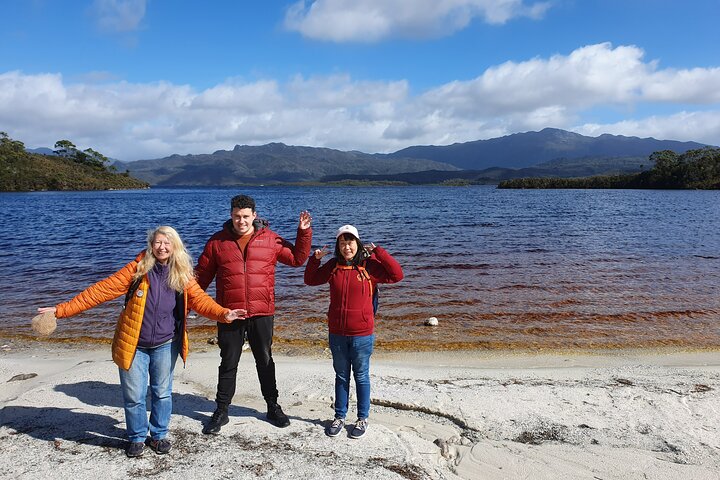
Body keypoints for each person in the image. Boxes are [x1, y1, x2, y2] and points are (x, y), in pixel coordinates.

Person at [37, 226, 245, 458]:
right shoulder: (136, 270)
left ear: (175, 246)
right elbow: (99, 291)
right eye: (157, 242)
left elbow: (201, 301)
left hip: (167, 343)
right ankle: (136, 437)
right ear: (151, 244)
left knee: (162, 393)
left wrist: (223, 313)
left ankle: (158, 436)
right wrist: (60, 310)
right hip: (134, 344)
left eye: (167, 243)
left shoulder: (182, 274)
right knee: (134, 395)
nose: (162, 247)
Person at [196, 194, 312, 434]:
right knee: (228, 361)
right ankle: (221, 410)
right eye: (237, 216)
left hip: (262, 312)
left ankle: (272, 406)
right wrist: (184, 305)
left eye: (246, 216)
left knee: (265, 360)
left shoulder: (270, 239)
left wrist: (303, 233)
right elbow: (201, 278)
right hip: (229, 313)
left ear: (254, 216)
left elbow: (298, 259)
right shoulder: (217, 243)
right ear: (231, 215)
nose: (241, 221)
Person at [303, 224, 403, 438]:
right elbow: (310, 280)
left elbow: (397, 275)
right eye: (342, 242)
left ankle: (362, 419)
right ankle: (339, 416)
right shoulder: (333, 266)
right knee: (341, 376)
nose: (346, 246)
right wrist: (315, 259)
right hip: (337, 333)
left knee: (361, 376)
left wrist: (380, 252)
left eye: (350, 241)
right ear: (339, 245)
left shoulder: (370, 267)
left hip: (362, 334)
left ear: (357, 244)